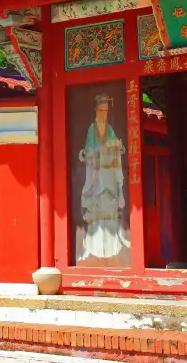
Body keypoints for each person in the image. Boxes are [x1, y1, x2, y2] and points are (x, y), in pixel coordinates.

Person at [78, 92, 130, 265]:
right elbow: (89, 150)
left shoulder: (109, 128)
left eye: (106, 111)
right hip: (96, 175)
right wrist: (91, 153)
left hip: (108, 175)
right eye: (101, 111)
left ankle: (112, 246)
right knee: (97, 212)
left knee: (110, 210)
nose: (103, 114)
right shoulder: (92, 129)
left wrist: (118, 147)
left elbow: (115, 146)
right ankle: (94, 247)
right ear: (96, 111)